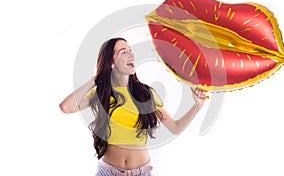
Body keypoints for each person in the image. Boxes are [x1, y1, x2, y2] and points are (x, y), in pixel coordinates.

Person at [59, 37, 207, 176]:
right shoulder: (101, 94)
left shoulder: (145, 94)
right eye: (124, 52)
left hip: (141, 172)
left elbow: (175, 127)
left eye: (130, 50)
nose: (131, 55)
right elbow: (66, 107)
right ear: (111, 62)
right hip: (107, 172)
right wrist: (95, 79)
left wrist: (198, 105)